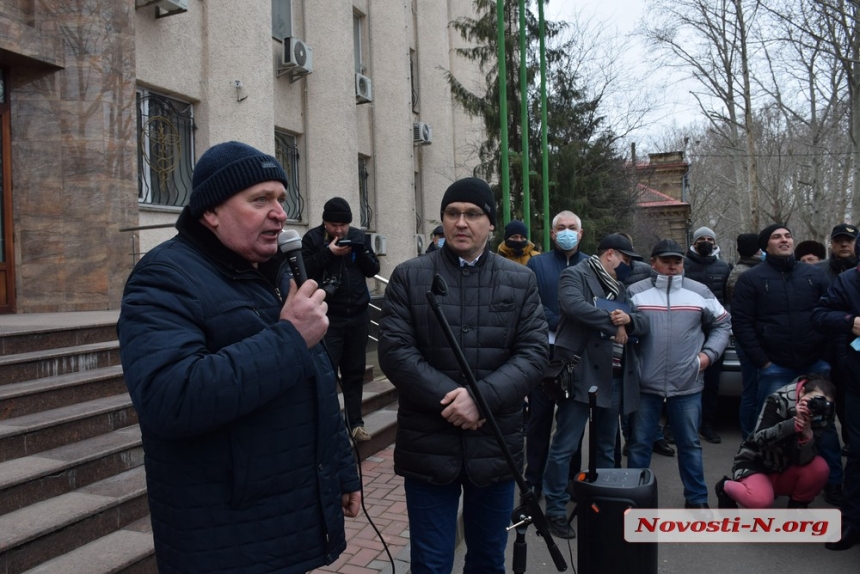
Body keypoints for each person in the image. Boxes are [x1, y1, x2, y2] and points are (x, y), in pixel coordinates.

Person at [117, 141, 361, 573]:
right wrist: (289, 336)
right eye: (260, 200)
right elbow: (169, 398)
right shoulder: (163, 277)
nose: (280, 213)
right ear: (211, 212)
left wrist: (342, 466)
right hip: (226, 536)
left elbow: (316, 380)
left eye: (281, 199)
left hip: (287, 519)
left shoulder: (275, 272)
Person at [377, 177, 548, 573]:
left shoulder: (520, 280)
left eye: (472, 214)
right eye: (452, 213)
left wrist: (480, 398)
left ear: (490, 222)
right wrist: (458, 401)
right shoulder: (409, 276)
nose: (461, 222)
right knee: (431, 561)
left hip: (495, 446)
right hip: (428, 445)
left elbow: (534, 353)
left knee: (488, 558)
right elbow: (396, 353)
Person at [543, 233, 649, 538]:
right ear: (611, 254)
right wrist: (615, 322)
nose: (628, 267)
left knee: (606, 446)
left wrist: (627, 321)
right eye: (626, 260)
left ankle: (604, 505)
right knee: (565, 444)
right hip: (580, 375)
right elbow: (575, 308)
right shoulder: (574, 275)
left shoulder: (622, 288)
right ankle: (555, 508)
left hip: (614, 377)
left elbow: (643, 322)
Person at [731, 223, 843, 506]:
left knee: (824, 425)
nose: (784, 240)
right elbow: (742, 324)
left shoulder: (814, 275)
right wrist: (763, 361)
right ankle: (761, 479)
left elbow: (830, 314)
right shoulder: (752, 279)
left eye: (788, 235)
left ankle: (833, 484)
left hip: (815, 363)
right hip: (775, 367)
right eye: (776, 237)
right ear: (764, 246)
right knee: (770, 426)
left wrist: (825, 355)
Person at [628, 238, 731, 509]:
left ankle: (696, 499)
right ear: (653, 263)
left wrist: (707, 357)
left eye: (677, 261)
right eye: (666, 261)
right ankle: (636, 500)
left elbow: (723, 324)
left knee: (690, 445)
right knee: (639, 445)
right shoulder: (634, 292)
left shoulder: (700, 292)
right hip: (645, 383)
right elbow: (621, 330)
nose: (672, 267)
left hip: (687, 383)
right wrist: (632, 364)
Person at [523, 210, 589, 500]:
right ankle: (533, 480)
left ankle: (571, 479)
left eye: (572, 227)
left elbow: (595, 303)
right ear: (552, 234)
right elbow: (532, 302)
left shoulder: (592, 265)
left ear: (581, 233)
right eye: (560, 227)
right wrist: (561, 321)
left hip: (578, 354)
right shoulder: (536, 264)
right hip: (544, 353)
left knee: (572, 423)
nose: (566, 232)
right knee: (539, 420)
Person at [302, 197, 380, 441]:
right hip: (329, 318)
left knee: (354, 372)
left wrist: (361, 251)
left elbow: (373, 269)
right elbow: (304, 271)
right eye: (334, 225)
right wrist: (328, 253)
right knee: (327, 372)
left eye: (343, 225)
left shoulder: (357, 236)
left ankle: (355, 423)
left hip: (357, 316)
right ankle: (328, 425)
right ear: (324, 222)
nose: (339, 230)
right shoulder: (313, 239)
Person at [715, 375, 835, 510]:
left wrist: (806, 435)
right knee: (761, 502)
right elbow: (759, 439)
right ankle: (725, 487)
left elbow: (805, 459)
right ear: (802, 392)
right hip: (757, 462)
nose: (815, 407)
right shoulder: (778, 399)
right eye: (813, 400)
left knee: (820, 468)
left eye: (822, 403)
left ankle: (798, 506)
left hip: (787, 465)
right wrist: (792, 424)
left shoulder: (824, 414)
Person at [813, 263, 860, 549]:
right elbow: (820, 316)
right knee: (858, 452)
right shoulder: (846, 281)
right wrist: (849, 320)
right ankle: (853, 521)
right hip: (857, 381)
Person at [683, 226, 731, 445]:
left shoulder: (724, 267)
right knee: (682, 378)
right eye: (701, 238)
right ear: (694, 242)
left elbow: (728, 298)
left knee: (712, 382)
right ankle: (676, 427)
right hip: (686, 328)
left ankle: (706, 425)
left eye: (709, 239)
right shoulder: (683, 264)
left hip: (714, 331)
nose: (705, 242)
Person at [817, 223, 859, 457]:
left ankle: (851, 444)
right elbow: (818, 312)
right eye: (839, 240)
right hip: (827, 349)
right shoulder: (820, 272)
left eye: (849, 241)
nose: (844, 244)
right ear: (831, 244)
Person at [726, 232, 764, 440]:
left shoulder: (754, 269)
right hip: (749, 339)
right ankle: (750, 437)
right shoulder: (741, 274)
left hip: (758, 338)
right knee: (751, 391)